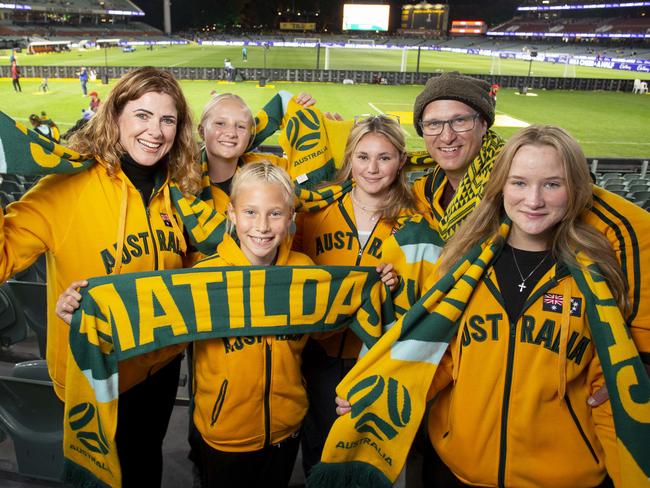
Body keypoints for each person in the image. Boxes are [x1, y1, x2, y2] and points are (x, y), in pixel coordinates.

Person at [336, 125, 634, 487]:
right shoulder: (461, 265)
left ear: (575, 188)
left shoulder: (598, 274)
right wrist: (376, 400)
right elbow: (437, 358)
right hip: (458, 471)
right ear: (501, 187)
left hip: (564, 477)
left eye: (552, 184)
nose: (534, 199)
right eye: (520, 183)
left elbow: (609, 391)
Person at [6, 66, 200, 487]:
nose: (156, 131)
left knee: (146, 463)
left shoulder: (180, 189)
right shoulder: (65, 188)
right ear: (115, 117)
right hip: (96, 372)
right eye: (142, 115)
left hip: (162, 363)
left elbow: (193, 264)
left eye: (168, 119)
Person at [295, 115, 431, 477]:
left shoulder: (415, 222)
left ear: (401, 161)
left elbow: (427, 290)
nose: (372, 168)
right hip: (318, 355)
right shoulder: (315, 212)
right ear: (349, 159)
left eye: (384, 158)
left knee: (367, 461)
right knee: (318, 455)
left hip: (379, 361)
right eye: (362, 156)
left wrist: (399, 283)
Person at [191, 162, 313, 487]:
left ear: (290, 218)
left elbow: (330, 327)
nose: (262, 226)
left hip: (286, 429)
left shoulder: (306, 273)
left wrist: (378, 285)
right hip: (225, 433)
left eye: (275, 213)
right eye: (250, 212)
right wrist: (90, 307)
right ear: (231, 214)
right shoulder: (203, 277)